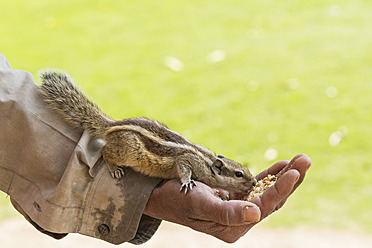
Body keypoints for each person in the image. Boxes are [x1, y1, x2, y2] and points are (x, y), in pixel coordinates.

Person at [0, 53, 311, 245]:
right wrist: (181, 182)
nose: (246, 184)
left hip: (145, 140)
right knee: (128, 151)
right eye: (240, 178)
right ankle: (110, 154)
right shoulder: (198, 167)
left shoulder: (206, 166)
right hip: (132, 143)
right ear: (221, 172)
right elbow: (183, 164)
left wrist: (145, 194)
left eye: (244, 180)